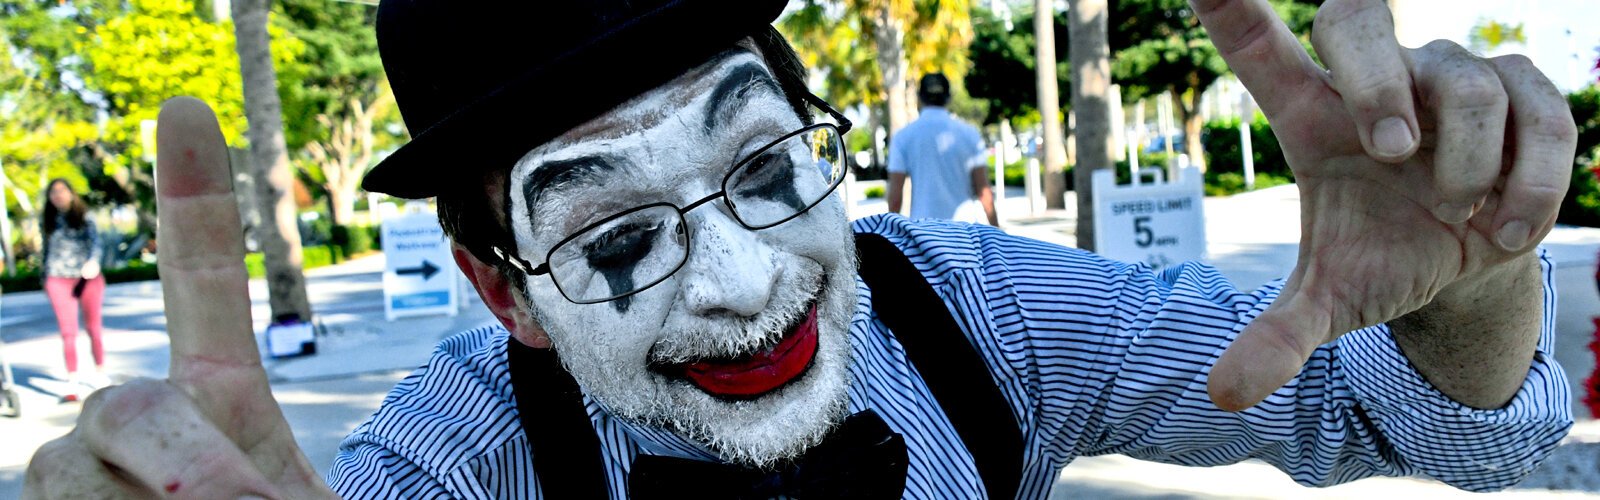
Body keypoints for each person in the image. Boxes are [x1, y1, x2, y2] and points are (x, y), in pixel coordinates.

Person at [22, 0, 1581, 498]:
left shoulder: (971, 310)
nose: (749, 280)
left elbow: (1440, 430)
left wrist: (1481, 268)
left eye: (766, 167)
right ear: (507, 293)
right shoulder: (465, 449)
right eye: (616, 236)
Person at [886, 73, 998, 226]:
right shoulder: (970, 133)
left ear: (920, 97)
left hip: (924, 233)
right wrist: (997, 233)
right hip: (966, 230)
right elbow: (984, 191)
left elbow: (895, 198)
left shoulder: (903, 137)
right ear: (949, 97)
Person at [38, 178, 107, 399]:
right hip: (58, 278)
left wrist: (93, 263)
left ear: (71, 192)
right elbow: (45, 250)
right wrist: (44, 277)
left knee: (93, 328)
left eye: (61, 190)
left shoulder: (85, 216)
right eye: (53, 192)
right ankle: (72, 380)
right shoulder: (48, 220)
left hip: (86, 277)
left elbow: (96, 243)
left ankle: (100, 372)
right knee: (68, 332)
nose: (57, 195)